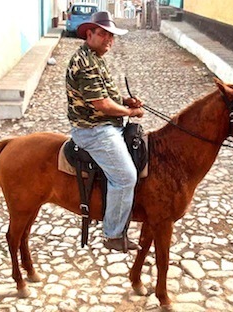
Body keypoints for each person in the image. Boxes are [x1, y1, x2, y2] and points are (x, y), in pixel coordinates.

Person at [66, 11, 144, 252]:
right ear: (89, 34)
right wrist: (129, 113)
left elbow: (107, 94)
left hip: (107, 124)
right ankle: (112, 234)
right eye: (103, 34)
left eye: (112, 36)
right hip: (94, 129)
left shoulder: (96, 56)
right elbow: (101, 104)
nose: (109, 39)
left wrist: (126, 100)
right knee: (125, 177)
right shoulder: (85, 63)